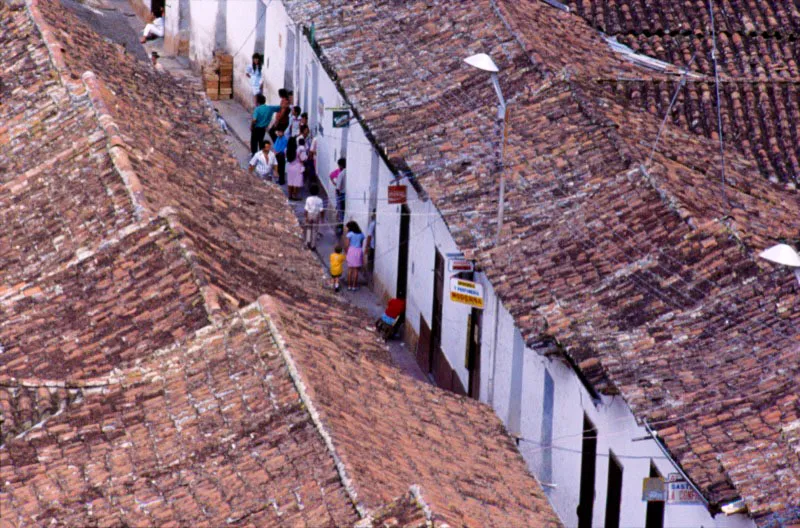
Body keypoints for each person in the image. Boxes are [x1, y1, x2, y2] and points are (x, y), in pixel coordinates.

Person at [344, 220, 365, 291]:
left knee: (350, 270)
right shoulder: (361, 234)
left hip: (351, 250)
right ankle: (354, 286)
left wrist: (346, 252)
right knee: (356, 270)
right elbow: (361, 244)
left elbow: (347, 245)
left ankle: (349, 286)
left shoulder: (350, 234)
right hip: (359, 250)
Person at [304, 184, 324, 250]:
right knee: (315, 230)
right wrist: (322, 218)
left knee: (308, 229)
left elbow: (306, 209)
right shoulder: (320, 200)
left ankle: (308, 243)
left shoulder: (308, 199)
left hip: (309, 214)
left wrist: (306, 217)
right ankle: (313, 245)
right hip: (316, 215)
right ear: (318, 191)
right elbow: (321, 210)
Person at [332, 158, 347, 235]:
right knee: (343, 210)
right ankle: (341, 224)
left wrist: (337, 194)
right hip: (346, 194)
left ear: (340, 165)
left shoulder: (341, 174)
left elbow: (338, 187)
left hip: (340, 194)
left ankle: (340, 226)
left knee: (340, 210)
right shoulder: (348, 172)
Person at [365, 209, 377, 281]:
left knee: (370, 261)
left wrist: (367, 246)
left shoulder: (372, 224)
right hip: (374, 246)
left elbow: (369, 236)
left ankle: (369, 277)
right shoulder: (376, 223)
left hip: (372, 246)